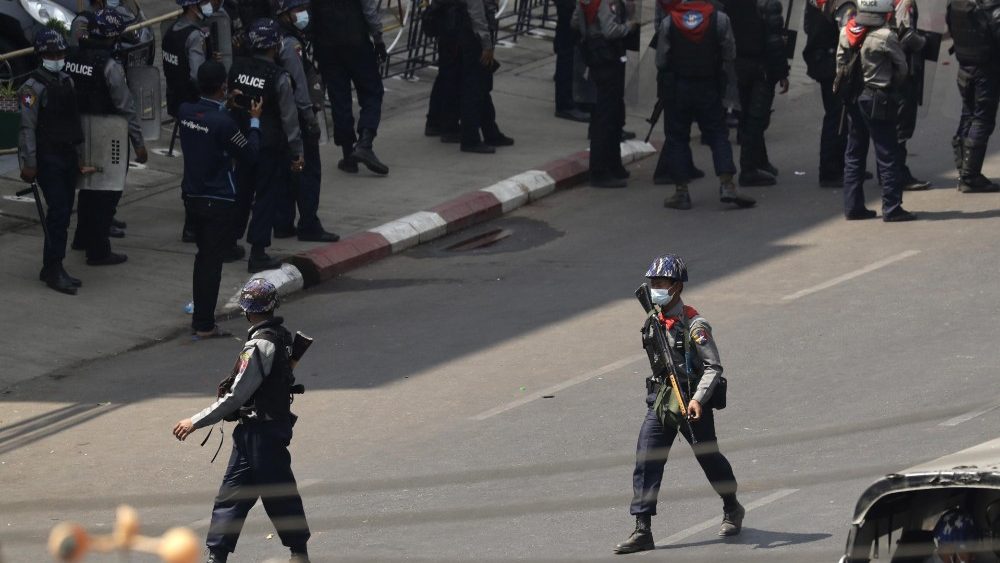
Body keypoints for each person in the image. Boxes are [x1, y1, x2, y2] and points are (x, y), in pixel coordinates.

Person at [172, 278, 311, 563]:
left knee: (279, 494)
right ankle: (217, 556)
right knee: (231, 498)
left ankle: (299, 553)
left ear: (247, 311)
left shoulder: (259, 346)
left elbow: (236, 396)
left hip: (264, 434)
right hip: (254, 432)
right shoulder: (281, 337)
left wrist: (195, 421)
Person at [614, 254, 743, 554]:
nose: (654, 287)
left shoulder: (695, 325)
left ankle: (732, 506)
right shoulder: (654, 320)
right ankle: (642, 529)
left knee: (709, 458)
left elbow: (713, 368)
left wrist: (698, 399)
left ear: (676, 287)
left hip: (690, 400)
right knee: (647, 459)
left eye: (659, 283)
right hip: (662, 399)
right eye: (652, 283)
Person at [178, 61, 262, 338]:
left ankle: (201, 318)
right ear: (223, 85)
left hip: (192, 195)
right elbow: (250, 154)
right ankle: (204, 324)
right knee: (211, 262)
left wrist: (225, 102)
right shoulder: (223, 123)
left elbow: (206, 116)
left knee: (202, 257)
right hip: (218, 199)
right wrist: (254, 120)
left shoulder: (186, 112)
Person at [65, 9, 147, 266]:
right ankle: (98, 250)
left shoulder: (72, 56)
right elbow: (125, 106)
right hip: (106, 133)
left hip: (77, 130)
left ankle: (81, 237)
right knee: (107, 191)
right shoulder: (110, 66)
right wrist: (138, 142)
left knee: (87, 187)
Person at [656, 0, 756, 209]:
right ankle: (727, 184)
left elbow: (661, 60)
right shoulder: (719, 19)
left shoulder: (669, 21)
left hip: (678, 87)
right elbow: (730, 53)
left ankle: (681, 191)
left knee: (677, 137)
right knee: (718, 134)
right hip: (708, 86)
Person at [229, 18, 302, 273]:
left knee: (241, 192)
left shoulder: (237, 67)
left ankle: (229, 242)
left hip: (240, 141)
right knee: (265, 197)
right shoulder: (279, 77)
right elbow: (289, 118)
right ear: (275, 45)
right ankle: (258, 252)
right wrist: (297, 152)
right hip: (269, 146)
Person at [18, 29, 87, 295]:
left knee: (64, 212)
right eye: (51, 54)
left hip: (67, 154)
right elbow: (27, 128)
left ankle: (51, 265)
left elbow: (73, 121)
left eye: (60, 53)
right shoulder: (31, 88)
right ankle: (54, 267)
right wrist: (29, 163)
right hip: (48, 159)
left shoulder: (67, 81)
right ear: (41, 56)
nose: (57, 58)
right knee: (57, 214)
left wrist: (80, 156)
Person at [837, 0, 916, 221]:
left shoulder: (847, 30)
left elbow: (840, 65)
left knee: (854, 154)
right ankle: (891, 208)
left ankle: (853, 207)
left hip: (854, 99)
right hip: (878, 99)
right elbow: (902, 69)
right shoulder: (886, 36)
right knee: (887, 154)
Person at [272, 0, 340, 242]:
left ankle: (282, 223)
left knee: (285, 170)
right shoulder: (291, 44)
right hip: (296, 116)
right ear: (285, 14)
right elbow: (299, 86)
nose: (303, 14)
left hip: (279, 117)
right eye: (296, 10)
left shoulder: (276, 35)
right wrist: (310, 118)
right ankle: (309, 224)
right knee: (308, 170)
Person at [309, 0, 388, 174]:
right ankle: (365, 142)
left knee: (339, 99)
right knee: (372, 92)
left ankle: (348, 154)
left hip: (327, 45)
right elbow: (368, 10)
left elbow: (309, 13)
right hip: (356, 40)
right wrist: (378, 38)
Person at [720, 0, 789, 187]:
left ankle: (759, 160)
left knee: (749, 115)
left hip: (739, 63)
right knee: (757, 119)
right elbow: (774, 41)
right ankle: (748, 168)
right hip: (761, 67)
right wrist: (782, 72)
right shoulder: (767, 3)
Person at [163, 0, 216, 243]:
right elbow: (197, 75)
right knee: (200, 165)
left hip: (178, 104)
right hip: (196, 107)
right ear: (192, 6)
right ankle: (193, 223)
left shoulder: (171, 31)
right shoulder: (195, 36)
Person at [572, 0, 638, 187]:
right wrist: (628, 27)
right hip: (607, 56)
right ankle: (601, 170)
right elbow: (610, 30)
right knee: (607, 117)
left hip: (594, 55)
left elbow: (575, 22)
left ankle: (613, 165)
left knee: (611, 113)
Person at [947, 0, 1000, 193]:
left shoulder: (957, 3)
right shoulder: (990, 5)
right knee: (982, 120)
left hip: (965, 65)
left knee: (968, 114)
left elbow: (950, 27)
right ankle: (970, 175)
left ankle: (965, 170)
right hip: (986, 69)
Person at [803, 0, 849, 187]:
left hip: (826, 58)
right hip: (830, 61)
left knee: (842, 115)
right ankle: (830, 170)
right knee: (836, 115)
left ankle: (842, 165)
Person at [890, 0, 932, 191]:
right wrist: (925, 42)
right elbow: (905, 35)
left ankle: (889, 172)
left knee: (894, 124)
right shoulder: (904, 3)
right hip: (903, 70)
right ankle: (897, 174)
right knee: (901, 125)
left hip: (890, 69)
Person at [554, 0, 590, 122]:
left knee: (570, 52)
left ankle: (570, 100)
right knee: (567, 54)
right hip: (568, 6)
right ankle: (565, 104)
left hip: (569, 7)